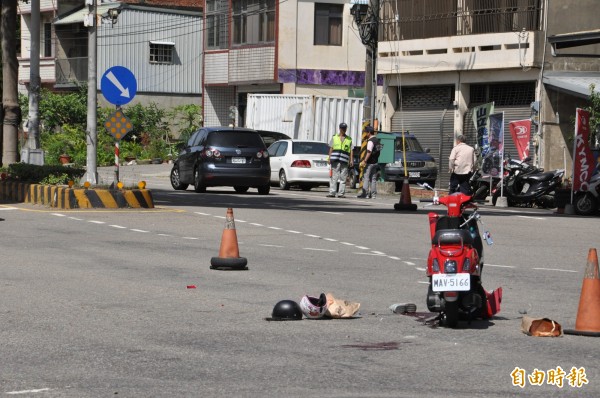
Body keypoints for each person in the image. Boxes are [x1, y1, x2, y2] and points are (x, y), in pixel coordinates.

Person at [327, 123, 354, 198]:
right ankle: (332, 193)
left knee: (343, 178)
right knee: (334, 177)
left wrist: (351, 160)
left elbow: (351, 150)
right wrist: (329, 158)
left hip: (344, 160)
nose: (344, 130)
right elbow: (331, 148)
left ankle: (341, 194)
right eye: (342, 128)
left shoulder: (349, 139)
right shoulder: (334, 137)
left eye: (345, 128)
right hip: (335, 160)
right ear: (340, 128)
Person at [357, 126, 380, 199]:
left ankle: (365, 194)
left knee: (366, 178)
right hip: (375, 162)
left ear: (369, 133)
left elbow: (369, 152)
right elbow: (379, 151)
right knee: (373, 179)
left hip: (369, 162)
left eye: (366, 132)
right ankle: (373, 195)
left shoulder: (370, 141)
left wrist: (364, 161)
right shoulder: (377, 140)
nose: (365, 134)